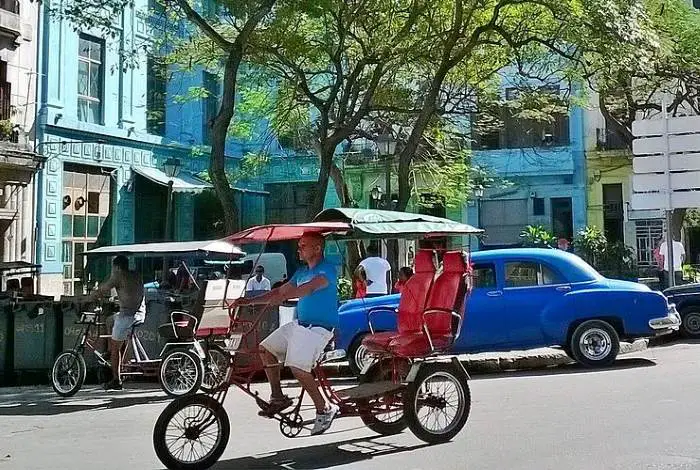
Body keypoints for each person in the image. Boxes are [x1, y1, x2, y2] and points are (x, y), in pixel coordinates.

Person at [231, 233, 339, 435]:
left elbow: (308, 289)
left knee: (297, 367)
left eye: (303, 246)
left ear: (317, 248)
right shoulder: (301, 272)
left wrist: (283, 296)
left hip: (319, 329)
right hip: (300, 325)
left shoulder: (327, 269)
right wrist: (248, 301)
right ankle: (278, 397)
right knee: (265, 349)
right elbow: (278, 292)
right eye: (299, 246)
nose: (299, 249)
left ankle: (324, 408)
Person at [89, 255, 145, 390]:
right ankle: (111, 349)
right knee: (110, 320)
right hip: (140, 313)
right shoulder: (136, 275)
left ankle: (116, 379)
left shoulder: (118, 276)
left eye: (113, 268)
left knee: (115, 348)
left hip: (128, 316)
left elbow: (103, 289)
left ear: (117, 267)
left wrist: (92, 295)